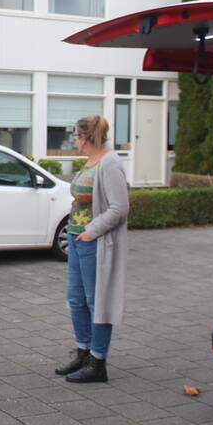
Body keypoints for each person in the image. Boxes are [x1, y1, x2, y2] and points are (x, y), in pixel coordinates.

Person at [55, 115, 129, 384]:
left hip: (93, 243)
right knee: (76, 300)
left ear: (86, 137)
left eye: (76, 135)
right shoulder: (90, 162)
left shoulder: (109, 164)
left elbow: (120, 208)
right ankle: (83, 353)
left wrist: (90, 232)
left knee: (95, 301)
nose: (74, 139)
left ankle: (98, 362)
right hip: (76, 242)